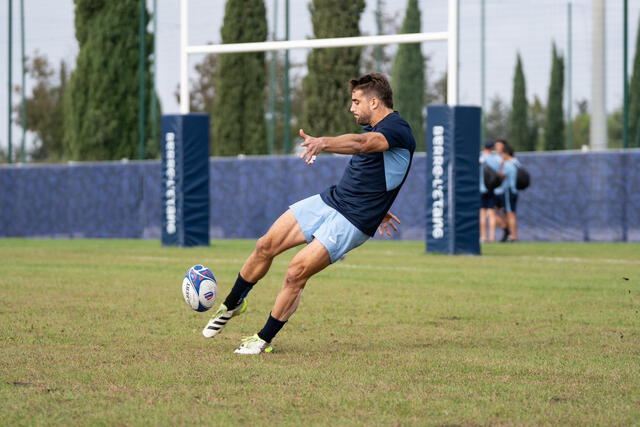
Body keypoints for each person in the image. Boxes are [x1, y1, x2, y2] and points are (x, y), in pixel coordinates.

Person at [202, 73, 416, 354]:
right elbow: (380, 171)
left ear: (374, 102)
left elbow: (362, 145)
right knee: (265, 245)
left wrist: (323, 142)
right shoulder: (378, 129)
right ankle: (233, 303)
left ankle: (263, 339)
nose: (351, 108)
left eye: (356, 101)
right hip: (332, 199)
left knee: (295, 273)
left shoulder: (397, 128)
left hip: (353, 221)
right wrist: (382, 205)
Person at [494, 144, 520, 242]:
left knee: (510, 214)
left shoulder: (508, 164)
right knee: (511, 213)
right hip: (514, 190)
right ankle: (513, 235)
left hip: (508, 190)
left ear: (506, 154)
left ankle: (513, 236)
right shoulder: (516, 163)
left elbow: (501, 175)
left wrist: (501, 165)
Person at [479, 141, 501, 242]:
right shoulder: (496, 158)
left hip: (482, 188)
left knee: (482, 213)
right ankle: (492, 237)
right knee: (492, 213)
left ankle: (483, 237)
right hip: (493, 188)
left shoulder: (482, 158)